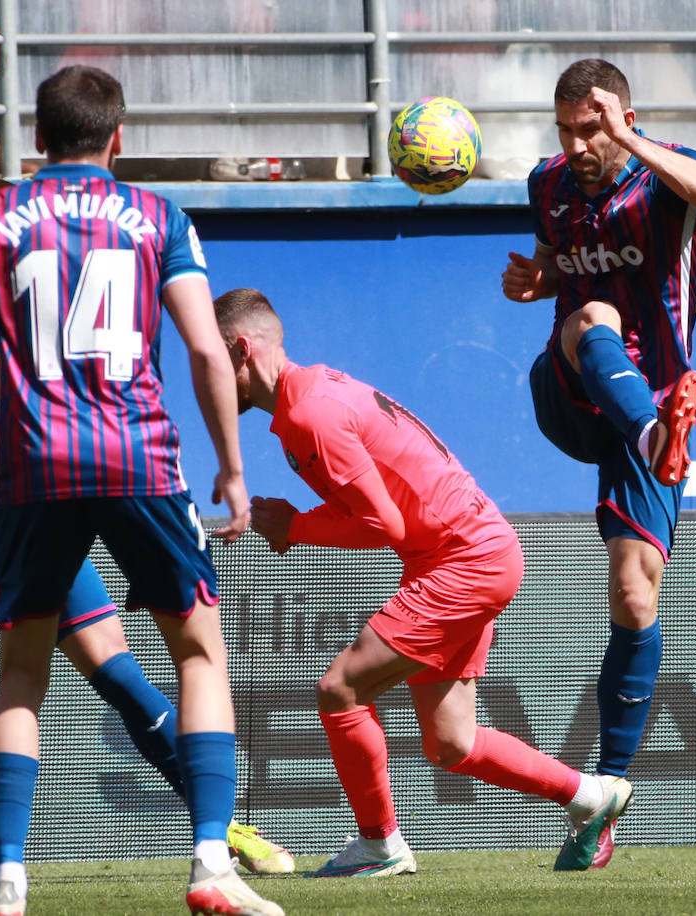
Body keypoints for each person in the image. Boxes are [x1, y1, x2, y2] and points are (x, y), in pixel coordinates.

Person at [0, 67, 282, 916]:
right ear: (117, 137)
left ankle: (7, 878)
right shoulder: (161, 217)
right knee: (198, 653)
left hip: (36, 464)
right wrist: (230, 464)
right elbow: (201, 348)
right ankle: (209, 865)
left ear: (36, 138)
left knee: (19, 678)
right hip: (138, 457)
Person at [214, 287, 631, 876]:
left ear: (240, 349)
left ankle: (380, 846)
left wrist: (296, 527)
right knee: (451, 742)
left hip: (463, 558)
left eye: (207, 360)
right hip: (472, 550)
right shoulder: (312, 394)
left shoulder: (311, 414)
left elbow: (384, 521)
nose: (203, 378)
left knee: (340, 690)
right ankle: (593, 796)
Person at [500, 58, 696, 869]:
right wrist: (533, 283)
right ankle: (648, 438)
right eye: (567, 130)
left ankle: (602, 800)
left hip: (654, 399)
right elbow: (553, 269)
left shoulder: (661, 179)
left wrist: (632, 139)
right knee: (592, 313)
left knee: (635, 594)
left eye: (591, 128)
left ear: (622, 118)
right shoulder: (550, 184)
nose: (579, 145)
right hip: (574, 390)